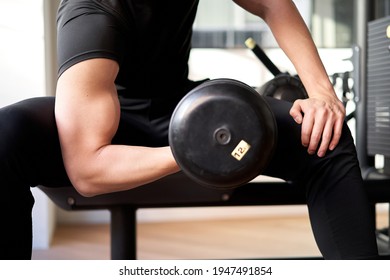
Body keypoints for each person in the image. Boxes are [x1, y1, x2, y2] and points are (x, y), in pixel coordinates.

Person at [0, 0, 379, 260]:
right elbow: (88, 168)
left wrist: (323, 96)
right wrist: (194, 149)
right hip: (104, 128)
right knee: (6, 135)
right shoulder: (92, 11)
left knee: (321, 135)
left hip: (181, 107)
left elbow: (271, 3)